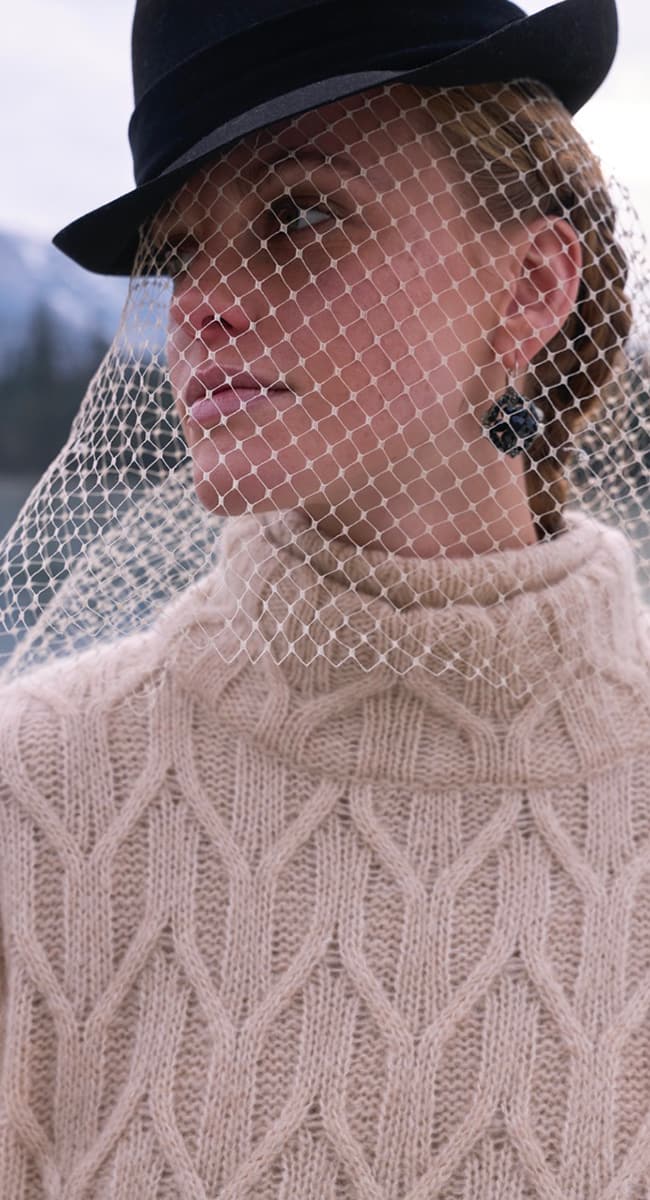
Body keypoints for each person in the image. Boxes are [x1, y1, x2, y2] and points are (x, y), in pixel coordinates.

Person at [1, 1, 650, 1195]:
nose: (200, 304)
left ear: (527, 288)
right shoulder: (32, 797)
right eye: (179, 251)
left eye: (298, 216)